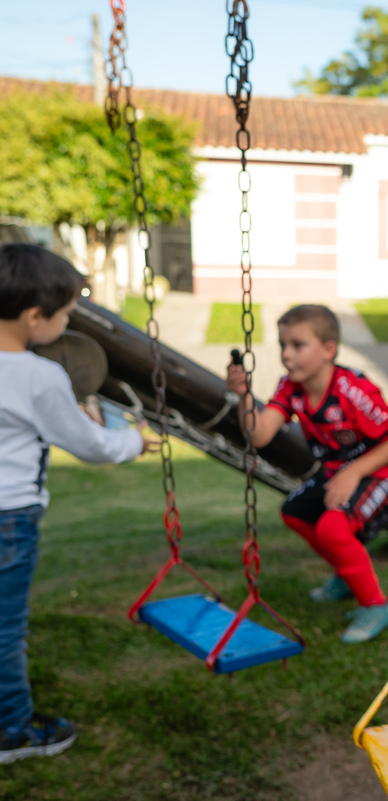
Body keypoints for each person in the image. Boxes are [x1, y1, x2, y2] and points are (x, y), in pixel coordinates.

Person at [0, 244, 156, 763]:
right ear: (34, 317)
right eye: (65, 314)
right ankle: (12, 730)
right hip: (10, 520)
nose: (67, 323)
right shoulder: (38, 376)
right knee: (6, 626)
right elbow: (90, 445)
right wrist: (134, 441)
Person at [226, 304, 388, 644]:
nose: (286, 354)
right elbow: (259, 435)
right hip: (341, 470)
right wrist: (242, 396)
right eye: (283, 344)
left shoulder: (352, 391)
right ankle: (347, 575)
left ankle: (376, 605)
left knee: (333, 526)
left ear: (329, 350)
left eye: (298, 345)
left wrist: (354, 473)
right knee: (295, 512)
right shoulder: (290, 388)